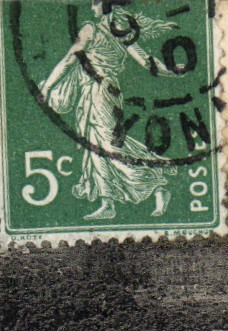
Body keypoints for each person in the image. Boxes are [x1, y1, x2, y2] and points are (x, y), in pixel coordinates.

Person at [37, 2, 182, 220]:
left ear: (106, 5)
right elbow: (148, 63)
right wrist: (172, 71)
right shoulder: (123, 36)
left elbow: (69, 59)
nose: (92, 6)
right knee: (106, 144)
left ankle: (151, 181)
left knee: (104, 146)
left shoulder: (90, 30)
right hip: (110, 93)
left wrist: (47, 87)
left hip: (97, 92)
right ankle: (116, 199)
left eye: (95, 1)